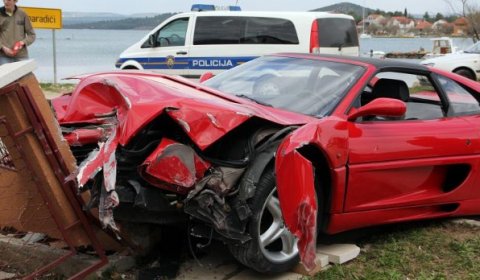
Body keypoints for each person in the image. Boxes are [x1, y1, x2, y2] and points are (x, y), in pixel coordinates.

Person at [0, 0, 35, 65]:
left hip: (21, 56)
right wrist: (2, 47)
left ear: (15, 1)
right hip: (3, 56)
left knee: (26, 75)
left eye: (9, 0)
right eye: (4, 0)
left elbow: (32, 35)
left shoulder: (22, 14)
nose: (5, 2)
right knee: (6, 75)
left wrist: (22, 43)